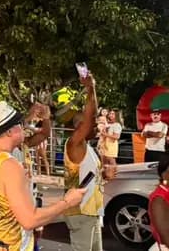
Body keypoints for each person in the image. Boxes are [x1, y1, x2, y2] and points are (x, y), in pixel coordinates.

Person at [0, 102, 86, 251]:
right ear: (8, 132)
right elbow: (29, 220)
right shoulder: (9, 165)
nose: (23, 127)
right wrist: (67, 202)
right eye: (19, 124)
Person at [62, 73, 116, 251]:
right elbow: (89, 117)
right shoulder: (74, 143)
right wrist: (90, 88)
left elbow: (88, 175)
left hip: (91, 212)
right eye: (93, 125)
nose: (97, 127)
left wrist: (104, 174)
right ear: (80, 127)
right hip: (80, 212)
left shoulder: (87, 148)